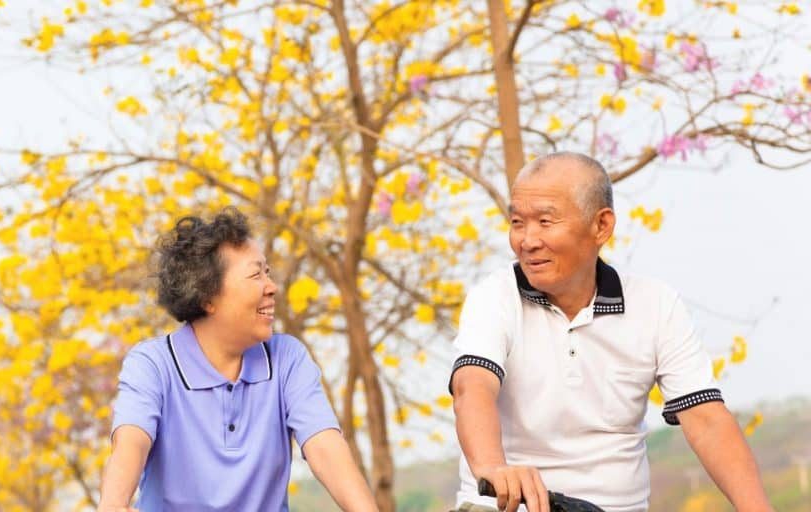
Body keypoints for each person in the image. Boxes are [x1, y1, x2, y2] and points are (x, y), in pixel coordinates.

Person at [449, 152, 773, 512]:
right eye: (517, 222)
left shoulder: (656, 304)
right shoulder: (494, 297)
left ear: (601, 226)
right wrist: (493, 468)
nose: (527, 240)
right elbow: (472, 386)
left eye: (545, 221)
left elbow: (707, 419)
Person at [98, 208, 378, 512]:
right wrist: (113, 503)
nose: (271, 287)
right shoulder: (152, 364)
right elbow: (131, 441)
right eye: (256, 275)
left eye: (267, 273)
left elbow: (325, 447)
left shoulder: (287, 358)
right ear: (207, 297)